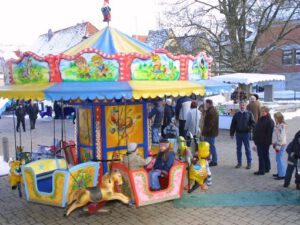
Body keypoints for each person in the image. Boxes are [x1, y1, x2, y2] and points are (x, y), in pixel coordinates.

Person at [230, 100, 256, 169]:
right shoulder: (236, 114)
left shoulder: (249, 113)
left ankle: (249, 163)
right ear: (239, 106)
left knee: (247, 149)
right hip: (238, 134)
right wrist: (231, 133)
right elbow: (233, 124)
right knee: (238, 149)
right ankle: (239, 163)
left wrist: (249, 128)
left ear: (246, 106)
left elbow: (253, 123)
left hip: (246, 134)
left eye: (243, 105)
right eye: (241, 105)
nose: (242, 106)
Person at [253, 106, 274, 175]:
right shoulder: (261, 119)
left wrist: (267, 142)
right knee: (264, 155)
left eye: (263, 111)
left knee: (262, 155)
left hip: (264, 142)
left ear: (267, 112)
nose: (261, 113)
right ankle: (267, 168)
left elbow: (269, 133)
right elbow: (257, 129)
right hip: (259, 140)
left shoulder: (269, 121)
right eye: (261, 111)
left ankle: (261, 170)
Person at [202, 99, 219, 167]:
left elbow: (210, 124)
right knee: (210, 146)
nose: (205, 105)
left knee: (211, 146)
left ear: (209, 104)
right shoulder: (212, 110)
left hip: (210, 132)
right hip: (211, 132)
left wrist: (205, 132)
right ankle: (212, 159)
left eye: (206, 104)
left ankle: (214, 161)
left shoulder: (211, 112)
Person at [272, 112, 287, 180]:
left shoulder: (282, 125)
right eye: (274, 118)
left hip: (280, 145)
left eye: (276, 118)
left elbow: (281, 137)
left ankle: (282, 175)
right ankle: (280, 172)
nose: (275, 119)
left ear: (279, 118)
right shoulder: (278, 124)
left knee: (280, 159)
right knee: (278, 159)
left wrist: (277, 146)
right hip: (277, 144)